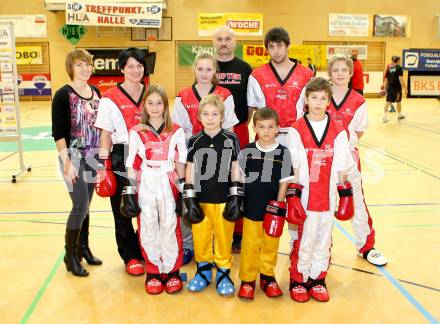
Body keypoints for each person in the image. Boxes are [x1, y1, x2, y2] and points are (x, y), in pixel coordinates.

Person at [286, 78, 355, 302]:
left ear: (329, 101)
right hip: (305, 195)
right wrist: (293, 195)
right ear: (306, 100)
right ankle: (298, 278)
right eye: (313, 97)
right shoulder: (296, 129)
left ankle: (317, 278)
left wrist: (345, 194)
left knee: (324, 239)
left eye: (323, 98)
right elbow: (293, 164)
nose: (318, 102)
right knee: (304, 239)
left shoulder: (338, 130)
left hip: (327, 196)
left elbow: (343, 164)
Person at [173, 50, 239, 264]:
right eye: (200, 69)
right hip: (193, 154)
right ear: (194, 70)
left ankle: (218, 250)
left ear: (215, 71)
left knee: (217, 205)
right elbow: (178, 130)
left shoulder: (225, 94)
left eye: (208, 69)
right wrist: (183, 161)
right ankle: (190, 247)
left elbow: (229, 128)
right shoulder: (183, 95)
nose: (204, 73)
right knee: (191, 202)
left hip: (219, 159)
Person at [124, 85, 187, 294]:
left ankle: (172, 271)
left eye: (159, 102)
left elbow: (180, 160)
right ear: (145, 106)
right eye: (150, 103)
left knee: (170, 225)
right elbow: (132, 163)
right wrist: (130, 191)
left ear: (165, 105)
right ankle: (152, 270)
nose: (155, 107)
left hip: (168, 179)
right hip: (146, 180)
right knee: (148, 225)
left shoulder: (176, 129)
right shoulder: (136, 131)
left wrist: (184, 188)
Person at [327, 54, 388, 266]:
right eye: (336, 70)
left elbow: (359, 132)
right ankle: (322, 246)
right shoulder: (320, 96)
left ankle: (366, 246)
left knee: (357, 202)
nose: (340, 74)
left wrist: (344, 148)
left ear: (351, 73)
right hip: (322, 159)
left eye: (344, 70)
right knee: (322, 203)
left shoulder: (359, 101)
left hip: (348, 160)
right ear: (330, 73)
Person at [183, 94, 242, 297]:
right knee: (201, 237)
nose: (210, 118)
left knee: (225, 237)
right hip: (201, 198)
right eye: (206, 114)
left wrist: (236, 195)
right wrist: (189, 197)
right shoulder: (194, 141)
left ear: (222, 116)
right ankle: (203, 271)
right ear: (199, 116)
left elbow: (236, 167)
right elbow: (189, 168)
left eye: (214, 114)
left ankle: (224, 272)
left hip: (224, 198)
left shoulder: (231, 139)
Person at [94, 47, 146, 276]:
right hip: (121, 155)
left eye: (139, 66)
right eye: (131, 66)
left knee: (149, 205)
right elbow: (105, 135)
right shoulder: (109, 98)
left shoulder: (152, 92)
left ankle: (146, 248)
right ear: (122, 69)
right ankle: (130, 255)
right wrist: (103, 168)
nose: (136, 70)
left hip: (149, 154)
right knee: (122, 209)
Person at [51, 48, 102, 277]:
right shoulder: (63, 95)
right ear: (71, 68)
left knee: (86, 206)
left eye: (88, 64)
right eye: (80, 65)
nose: (85, 68)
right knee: (79, 205)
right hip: (72, 157)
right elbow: (59, 132)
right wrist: (67, 163)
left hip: (92, 158)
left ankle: (84, 248)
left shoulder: (96, 92)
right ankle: (70, 256)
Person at [237, 108, 294, 300]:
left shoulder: (283, 153)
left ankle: (267, 277)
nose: (266, 131)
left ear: (278, 128)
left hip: (272, 211)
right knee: (250, 245)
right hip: (251, 208)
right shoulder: (247, 151)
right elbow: (240, 179)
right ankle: (247, 279)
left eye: (271, 127)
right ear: (255, 128)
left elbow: (285, 181)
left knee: (270, 244)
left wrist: (278, 206)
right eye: (261, 127)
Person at [212, 26, 253, 253]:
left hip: (239, 130)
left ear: (235, 42)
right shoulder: (208, 66)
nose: (224, 42)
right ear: (213, 42)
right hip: (212, 132)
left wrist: (245, 124)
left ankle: (238, 232)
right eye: (219, 39)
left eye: (228, 38)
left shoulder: (244, 68)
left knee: (239, 179)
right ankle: (214, 228)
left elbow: (253, 102)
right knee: (214, 178)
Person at [247, 27, 313, 148]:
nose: (276, 51)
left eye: (280, 45)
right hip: (266, 137)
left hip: (297, 137)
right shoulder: (257, 76)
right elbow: (251, 109)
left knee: (296, 167)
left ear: (288, 46)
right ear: (267, 49)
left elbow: (313, 110)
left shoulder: (306, 75)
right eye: (271, 47)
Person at [383, 55, 407, 123]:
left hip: (390, 88)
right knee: (398, 102)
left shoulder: (389, 68)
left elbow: (386, 80)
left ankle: (384, 117)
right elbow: (401, 79)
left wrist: (385, 89)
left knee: (387, 102)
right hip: (397, 88)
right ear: (398, 61)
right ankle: (399, 116)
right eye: (400, 60)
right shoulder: (399, 68)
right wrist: (404, 88)